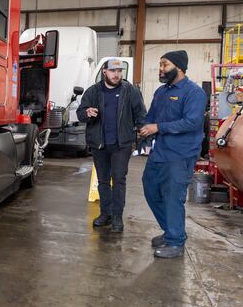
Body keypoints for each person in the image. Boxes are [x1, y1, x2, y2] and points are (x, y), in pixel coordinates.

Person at [139, 50, 207, 258]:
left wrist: (158, 127)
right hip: (160, 152)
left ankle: (176, 242)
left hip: (181, 154)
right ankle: (170, 231)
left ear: (179, 67)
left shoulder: (194, 92)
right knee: (150, 188)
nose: (161, 69)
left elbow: (192, 122)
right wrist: (143, 128)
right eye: (160, 65)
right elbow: (150, 116)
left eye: (165, 65)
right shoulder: (161, 92)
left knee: (172, 197)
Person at [77, 59, 147, 232]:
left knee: (118, 180)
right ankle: (105, 214)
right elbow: (80, 113)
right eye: (113, 71)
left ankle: (117, 217)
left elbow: (140, 113)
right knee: (102, 181)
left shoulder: (130, 91)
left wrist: (142, 131)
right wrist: (87, 112)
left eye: (119, 71)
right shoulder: (93, 92)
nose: (117, 74)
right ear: (104, 72)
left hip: (121, 145)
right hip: (99, 144)